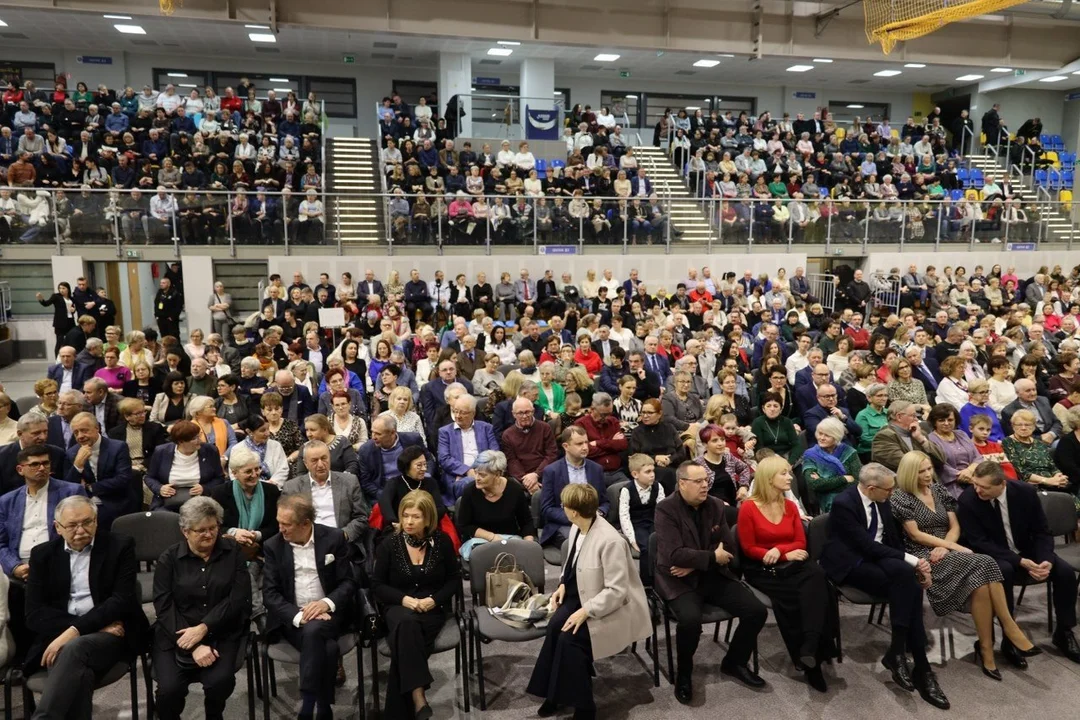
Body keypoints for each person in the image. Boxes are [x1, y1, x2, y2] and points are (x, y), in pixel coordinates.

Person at [891, 451, 1040, 680]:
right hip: (922, 553)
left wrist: (948, 545)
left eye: (929, 468)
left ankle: (987, 651)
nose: (928, 474)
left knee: (981, 585)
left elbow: (955, 526)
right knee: (987, 561)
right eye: (921, 471)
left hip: (947, 547)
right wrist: (953, 548)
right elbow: (915, 534)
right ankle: (1009, 627)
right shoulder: (901, 497)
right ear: (909, 473)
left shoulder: (938, 490)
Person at [818, 463, 950, 709]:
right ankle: (919, 666)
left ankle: (902, 655)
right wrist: (913, 561)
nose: (892, 494)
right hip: (851, 561)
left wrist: (914, 565)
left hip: (880, 557)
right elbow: (865, 546)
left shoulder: (883, 499)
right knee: (907, 581)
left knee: (907, 580)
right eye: (888, 490)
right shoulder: (844, 503)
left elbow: (892, 538)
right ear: (871, 488)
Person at [526, 482, 650, 720]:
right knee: (554, 628)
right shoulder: (577, 527)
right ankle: (555, 695)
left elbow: (616, 591)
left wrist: (585, 612)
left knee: (569, 640)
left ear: (573, 510)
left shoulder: (611, 541)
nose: (562, 508)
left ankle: (585, 707)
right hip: (581, 595)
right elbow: (572, 564)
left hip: (608, 607)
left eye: (564, 505)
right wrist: (562, 584)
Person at [23, 495, 149, 719]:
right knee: (80, 672)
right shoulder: (43, 555)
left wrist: (72, 633)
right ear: (58, 528)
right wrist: (82, 629)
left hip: (113, 635)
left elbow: (121, 600)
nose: (81, 530)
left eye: (87, 522)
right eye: (72, 525)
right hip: (83, 631)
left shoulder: (119, 546)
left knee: (72, 648)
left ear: (96, 521)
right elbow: (34, 614)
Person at [655, 461, 767, 703]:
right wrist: (710, 555)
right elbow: (674, 555)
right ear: (682, 484)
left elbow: (729, 548)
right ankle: (684, 673)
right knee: (690, 621)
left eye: (706, 480)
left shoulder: (715, 505)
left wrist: (700, 560)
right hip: (679, 579)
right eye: (698, 482)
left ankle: (734, 662)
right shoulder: (665, 509)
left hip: (712, 574)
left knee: (756, 612)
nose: (705, 485)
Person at [959, 461, 1080, 664]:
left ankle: (1064, 632)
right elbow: (979, 541)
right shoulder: (968, 500)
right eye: (975, 484)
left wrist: (1046, 561)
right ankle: (1010, 637)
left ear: (1002, 484)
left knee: (1065, 572)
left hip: (1027, 548)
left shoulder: (1025, 492)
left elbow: (1042, 530)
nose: (978, 490)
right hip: (994, 553)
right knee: (1004, 571)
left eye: (985, 487)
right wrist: (1019, 561)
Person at [737, 457, 835, 691]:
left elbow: (800, 541)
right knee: (801, 596)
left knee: (819, 577)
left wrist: (780, 551)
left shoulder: (790, 506)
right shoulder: (748, 508)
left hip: (790, 563)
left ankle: (808, 649)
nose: (791, 478)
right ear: (769, 478)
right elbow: (749, 548)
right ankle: (812, 660)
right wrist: (781, 554)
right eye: (784, 473)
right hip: (760, 568)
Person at [152, 497, 251, 720]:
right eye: (201, 530)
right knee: (169, 690)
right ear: (185, 531)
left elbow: (238, 597)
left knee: (220, 682)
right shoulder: (169, 559)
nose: (209, 535)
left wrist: (204, 628)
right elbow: (164, 606)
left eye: (213, 528)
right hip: (176, 632)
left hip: (222, 630)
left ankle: (214, 715)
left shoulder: (232, 550)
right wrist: (194, 643)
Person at [262, 493, 355, 719]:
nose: (281, 529)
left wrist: (325, 603)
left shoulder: (333, 538)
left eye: (287, 524)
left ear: (305, 524)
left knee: (315, 632)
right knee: (328, 647)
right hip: (292, 620)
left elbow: (349, 582)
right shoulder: (273, 546)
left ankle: (308, 702)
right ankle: (322, 706)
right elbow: (270, 594)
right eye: (279, 523)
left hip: (330, 616)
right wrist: (299, 616)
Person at [371, 490, 459, 719]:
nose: (408, 522)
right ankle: (419, 697)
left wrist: (434, 600)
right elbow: (377, 585)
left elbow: (454, 580)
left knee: (406, 637)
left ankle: (401, 710)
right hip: (397, 607)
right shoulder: (389, 544)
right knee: (407, 623)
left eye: (416, 517)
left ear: (428, 519)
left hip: (432, 610)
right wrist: (404, 599)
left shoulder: (442, 542)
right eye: (405, 515)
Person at [281, 440, 369, 555]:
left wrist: (343, 535)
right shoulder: (292, 487)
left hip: (342, 542)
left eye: (324, 458)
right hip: (306, 544)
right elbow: (286, 522)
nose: (321, 464)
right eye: (314, 460)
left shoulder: (349, 482)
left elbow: (361, 517)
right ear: (305, 463)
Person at [453, 449, 535, 560]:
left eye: (482, 475)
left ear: (497, 474)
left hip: (509, 541)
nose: (477, 478)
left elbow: (526, 522)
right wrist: (492, 537)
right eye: (475, 472)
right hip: (481, 542)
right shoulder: (470, 491)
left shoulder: (514, 489)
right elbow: (464, 526)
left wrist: (528, 545)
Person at [539, 426, 609, 548]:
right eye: (579, 443)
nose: (585, 447)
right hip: (564, 524)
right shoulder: (551, 471)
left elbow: (604, 502)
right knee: (581, 542)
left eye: (586, 442)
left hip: (593, 522)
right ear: (566, 446)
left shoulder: (596, 469)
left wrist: (599, 513)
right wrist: (577, 519)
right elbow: (547, 509)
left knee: (609, 541)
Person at [64, 412, 135, 530]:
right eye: (76, 433)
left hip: (116, 502)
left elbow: (123, 479)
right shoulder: (72, 453)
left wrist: (91, 487)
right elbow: (69, 487)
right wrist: (78, 465)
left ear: (97, 428)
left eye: (84, 430)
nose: (80, 436)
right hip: (86, 506)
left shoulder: (117, 447)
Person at [145, 420, 226, 511]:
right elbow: (149, 477)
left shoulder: (210, 450)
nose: (200, 440)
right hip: (166, 502)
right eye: (194, 438)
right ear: (180, 442)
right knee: (165, 520)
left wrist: (205, 488)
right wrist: (160, 488)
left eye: (199, 436)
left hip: (202, 501)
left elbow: (220, 478)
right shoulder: (162, 451)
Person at [436, 394, 499, 499]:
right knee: (470, 484)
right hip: (459, 476)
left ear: (473, 413)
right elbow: (444, 459)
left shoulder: (486, 428)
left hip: (485, 471)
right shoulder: (445, 432)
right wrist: (467, 471)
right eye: (455, 411)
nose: (458, 416)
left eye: (463, 412)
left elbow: (495, 453)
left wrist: (481, 472)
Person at [378, 444, 445, 534]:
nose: (424, 469)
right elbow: (384, 502)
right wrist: (396, 523)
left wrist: (422, 522)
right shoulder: (394, 483)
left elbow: (440, 508)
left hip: (426, 528)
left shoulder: (431, 483)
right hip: (399, 528)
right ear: (407, 466)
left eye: (425, 464)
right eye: (419, 465)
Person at [618, 453, 665, 581]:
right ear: (635, 474)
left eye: (653, 471)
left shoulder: (657, 486)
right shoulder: (626, 490)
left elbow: (662, 510)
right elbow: (624, 516)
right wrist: (632, 539)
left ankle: (662, 577)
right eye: (647, 472)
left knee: (660, 543)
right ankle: (646, 581)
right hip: (636, 524)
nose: (652, 475)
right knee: (646, 547)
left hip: (653, 521)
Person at [803, 416, 862, 512]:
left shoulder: (849, 452)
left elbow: (858, 482)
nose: (821, 438)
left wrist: (826, 482)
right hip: (824, 501)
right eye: (820, 433)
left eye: (827, 435)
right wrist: (844, 479)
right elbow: (815, 484)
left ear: (836, 437)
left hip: (851, 498)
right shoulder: (810, 455)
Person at [871, 400, 946, 471]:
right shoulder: (884, 437)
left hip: (931, 481)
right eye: (913, 416)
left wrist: (921, 439)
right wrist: (928, 466)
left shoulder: (919, 433)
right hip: (905, 482)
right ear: (899, 417)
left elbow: (941, 459)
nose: (916, 419)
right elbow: (905, 464)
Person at [926, 403, 981, 498]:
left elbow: (978, 457)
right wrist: (967, 478)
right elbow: (942, 467)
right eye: (941, 420)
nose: (947, 423)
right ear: (934, 422)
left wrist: (969, 471)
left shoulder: (962, 434)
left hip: (974, 477)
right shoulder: (930, 439)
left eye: (950, 420)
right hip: (951, 485)